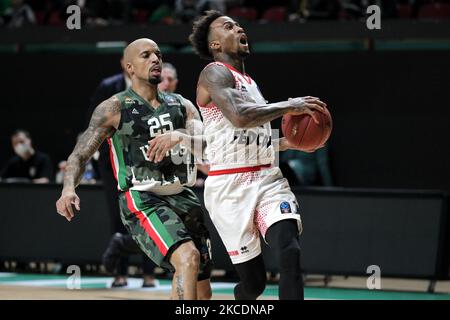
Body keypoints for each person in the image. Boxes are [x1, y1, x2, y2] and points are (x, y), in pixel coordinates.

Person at [148, 10, 327, 300]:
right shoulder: (214, 73)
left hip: (268, 180)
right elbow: (241, 117)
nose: (239, 28)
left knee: (289, 250)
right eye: (229, 26)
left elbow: (248, 136)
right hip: (229, 188)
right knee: (253, 284)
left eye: (238, 25)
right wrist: (289, 104)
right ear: (215, 45)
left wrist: (290, 143)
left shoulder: (250, 83)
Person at [56, 38, 213, 300]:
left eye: (158, 55)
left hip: (184, 196)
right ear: (129, 67)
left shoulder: (182, 105)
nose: (155, 59)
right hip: (144, 197)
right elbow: (80, 154)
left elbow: (207, 147)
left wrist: (180, 137)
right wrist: (68, 188)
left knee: (201, 290)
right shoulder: (114, 107)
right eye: (146, 55)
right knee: (188, 258)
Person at [89, 52, 158, 288]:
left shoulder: (154, 86)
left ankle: (149, 273)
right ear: (125, 64)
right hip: (113, 164)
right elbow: (94, 124)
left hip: (147, 162)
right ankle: (121, 273)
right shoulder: (108, 87)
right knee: (119, 215)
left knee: (152, 214)